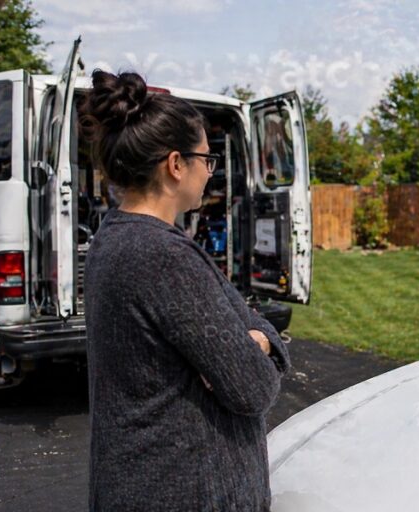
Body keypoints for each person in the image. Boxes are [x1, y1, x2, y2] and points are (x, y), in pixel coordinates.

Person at [81, 70, 289, 511]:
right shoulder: (162, 255)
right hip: (182, 490)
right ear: (176, 165)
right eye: (206, 159)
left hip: (137, 482)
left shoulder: (113, 236)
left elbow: (246, 327)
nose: (210, 172)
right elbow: (252, 387)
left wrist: (256, 338)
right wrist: (259, 343)